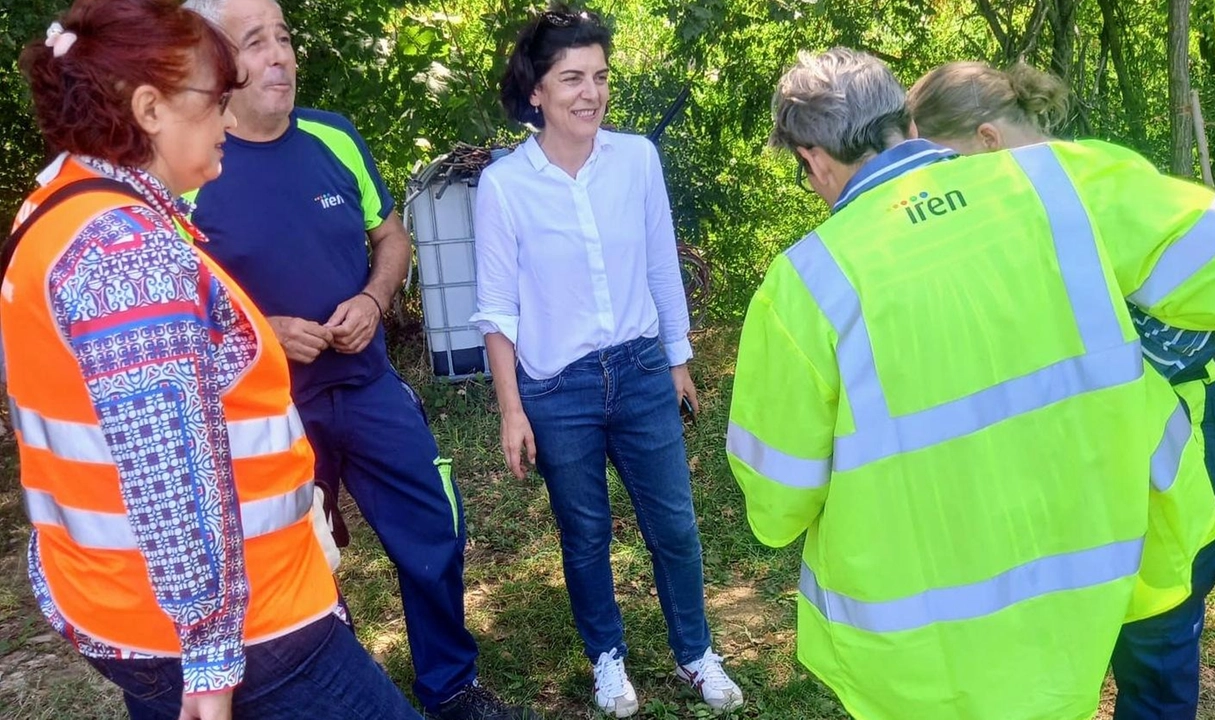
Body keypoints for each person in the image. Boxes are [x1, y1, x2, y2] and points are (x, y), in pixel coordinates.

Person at [729, 47, 1215, 720]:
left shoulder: (805, 286)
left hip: (929, 648)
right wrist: (1150, 335)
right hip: (1106, 561)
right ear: (901, 119)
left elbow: (778, 503)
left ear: (812, 158)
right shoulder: (1060, 183)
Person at [2, 1, 423, 718]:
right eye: (215, 99)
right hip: (246, 631)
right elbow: (170, 478)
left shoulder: (60, 203)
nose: (230, 119)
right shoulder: (125, 255)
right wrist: (210, 656)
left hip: (124, 609)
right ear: (150, 109)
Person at [177, 1, 538, 718]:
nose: (280, 55)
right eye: (257, 42)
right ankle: (332, 683)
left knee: (435, 523)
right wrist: (263, 331)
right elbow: (175, 310)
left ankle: (449, 685)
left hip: (367, 383)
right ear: (216, 62)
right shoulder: (190, 166)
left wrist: (374, 301)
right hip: (270, 410)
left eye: (284, 37)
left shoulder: (333, 138)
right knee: (300, 555)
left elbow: (392, 236)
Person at [906, 59, 1215, 720]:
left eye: (944, 166)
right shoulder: (1003, 212)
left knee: (1155, 644)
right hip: (1080, 477)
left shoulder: (1109, 186)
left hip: (1169, 470)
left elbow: (1204, 319)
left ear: (987, 141)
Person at [470, 7, 744, 718]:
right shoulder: (503, 185)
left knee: (675, 526)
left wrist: (677, 360)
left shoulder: (636, 160)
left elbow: (661, 262)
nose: (590, 93)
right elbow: (497, 307)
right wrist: (511, 408)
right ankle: (608, 659)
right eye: (572, 79)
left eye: (599, 77)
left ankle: (696, 653)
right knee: (585, 533)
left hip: (641, 370)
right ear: (536, 91)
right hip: (557, 389)